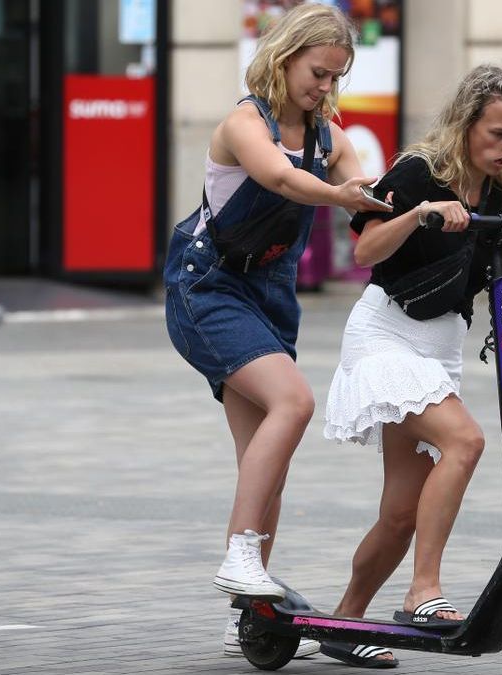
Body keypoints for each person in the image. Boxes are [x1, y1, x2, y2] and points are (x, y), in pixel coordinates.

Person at [319, 64, 502, 668]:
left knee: (397, 516)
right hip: (386, 333)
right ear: (467, 126)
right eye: (498, 134)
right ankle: (424, 590)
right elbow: (364, 249)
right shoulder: (418, 172)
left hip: (440, 346)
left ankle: (343, 621)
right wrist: (419, 214)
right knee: (464, 442)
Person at [160, 3, 388, 659]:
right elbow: (279, 177)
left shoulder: (329, 136)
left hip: (269, 294)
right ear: (285, 56)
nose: (325, 88)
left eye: (335, 77)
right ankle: (240, 556)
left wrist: (412, 205)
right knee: (294, 401)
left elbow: (371, 194)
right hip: (207, 287)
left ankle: (249, 618)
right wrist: (342, 195)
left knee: (266, 461)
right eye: (318, 73)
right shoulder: (243, 123)